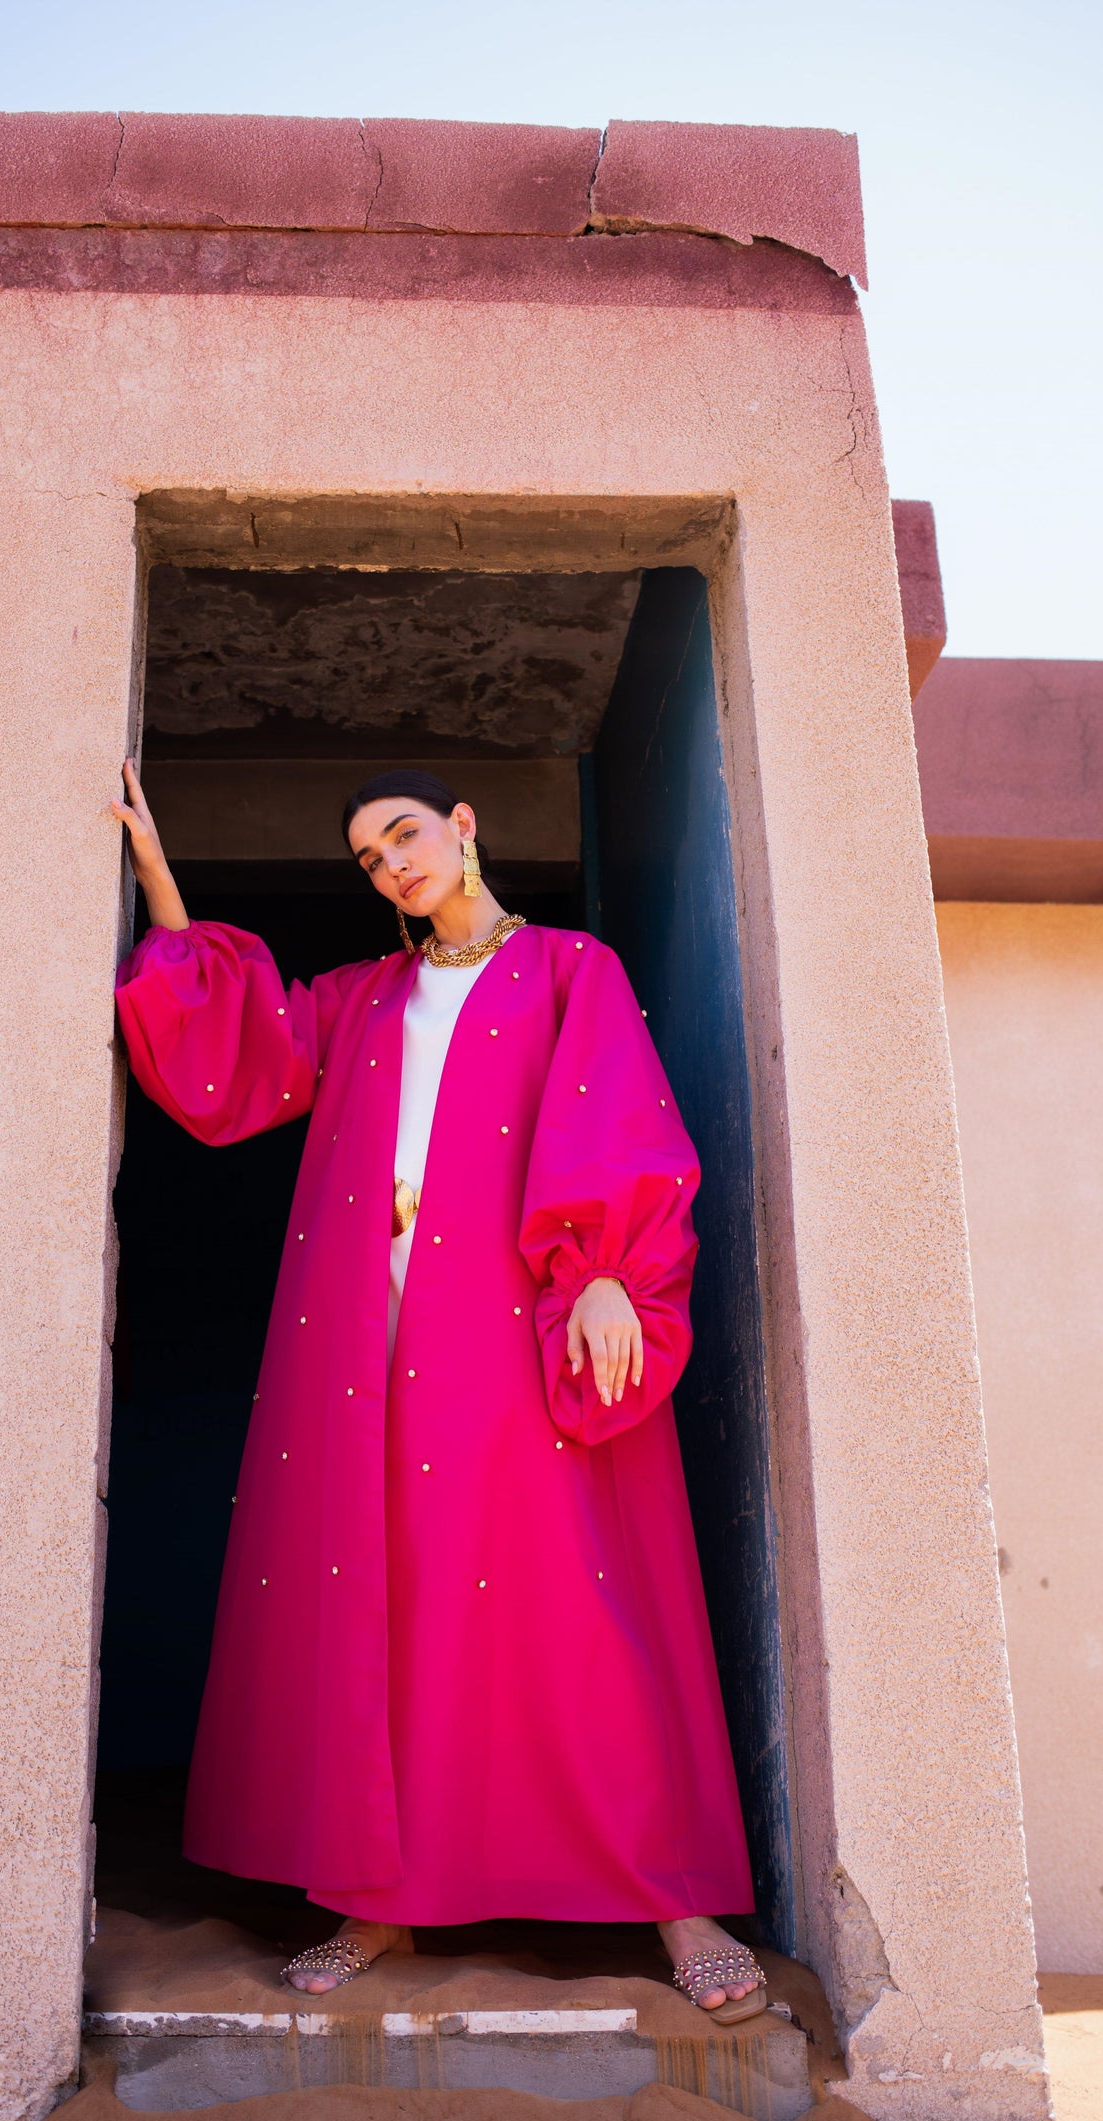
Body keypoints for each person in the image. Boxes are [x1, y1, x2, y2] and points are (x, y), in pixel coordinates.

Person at [110, 760, 765, 2020]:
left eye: (402, 834)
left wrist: (607, 1277)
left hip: (512, 1321)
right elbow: (237, 1056)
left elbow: (617, 1123)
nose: (390, 865)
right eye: (366, 857)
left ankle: (674, 1900)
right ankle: (382, 1897)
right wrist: (157, 880)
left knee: (573, 1589)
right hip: (369, 1330)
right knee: (387, 1594)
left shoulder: (573, 966)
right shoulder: (363, 997)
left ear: (461, 828)